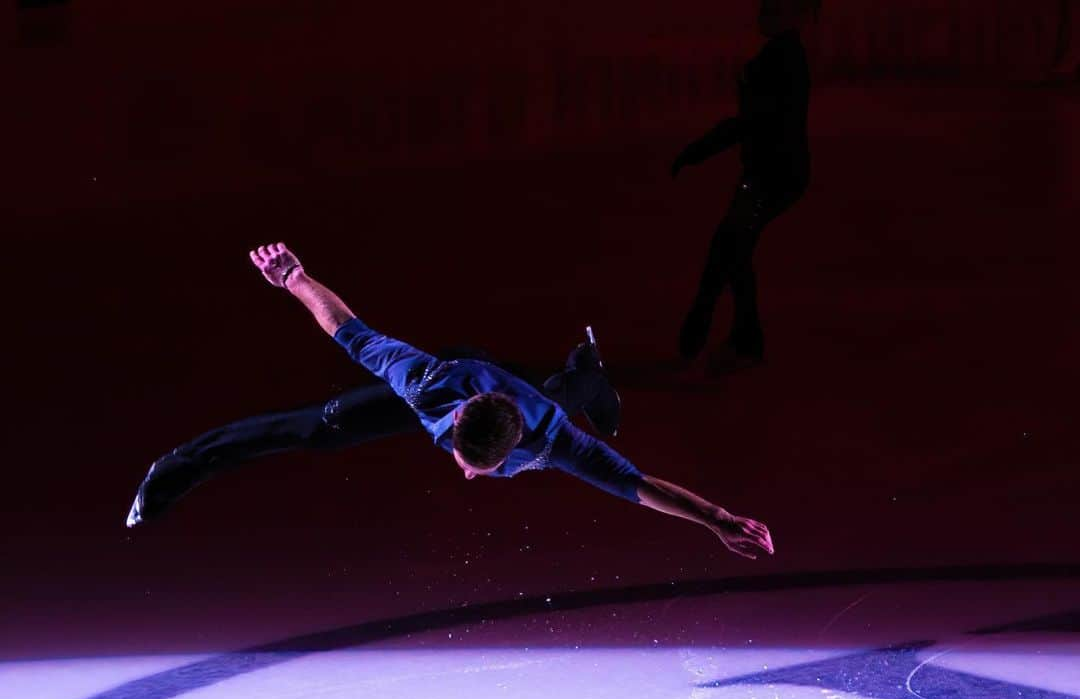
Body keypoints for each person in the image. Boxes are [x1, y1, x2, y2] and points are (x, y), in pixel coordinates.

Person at [126, 243, 774, 560]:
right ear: (459, 422)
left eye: (479, 471)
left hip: (527, 400)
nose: (465, 475)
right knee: (320, 427)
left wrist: (719, 519)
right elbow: (349, 329)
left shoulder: (552, 439)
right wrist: (295, 279)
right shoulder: (425, 383)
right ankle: (179, 467)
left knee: (564, 398)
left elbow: (636, 485)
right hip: (463, 372)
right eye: (466, 461)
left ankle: (587, 373)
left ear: (517, 443)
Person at [672, 0, 818, 372]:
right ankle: (742, 337)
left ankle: (726, 335)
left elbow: (752, 122)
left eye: (773, 8)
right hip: (771, 174)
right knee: (733, 249)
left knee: (730, 247)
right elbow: (753, 121)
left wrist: (700, 149)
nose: (762, 14)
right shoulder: (781, 56)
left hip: (771, 177)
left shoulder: (782, 59)